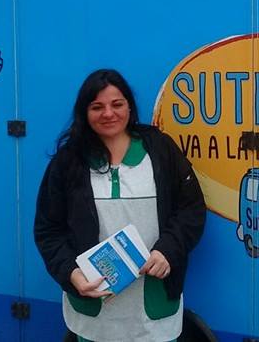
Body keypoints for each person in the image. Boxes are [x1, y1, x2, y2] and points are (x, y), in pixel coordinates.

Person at [34, 69, 206, 342]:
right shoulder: (68, 161)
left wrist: (168, 251)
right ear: (84, 112)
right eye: (97, 107)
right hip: (94, 307)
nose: (108, 114)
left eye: (117, 104)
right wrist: (71, 274)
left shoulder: (160, 150)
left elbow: (191, 210)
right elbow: (48, 230)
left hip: (154, 302)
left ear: (129, 106)